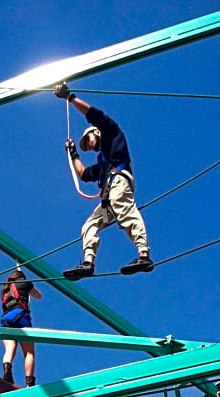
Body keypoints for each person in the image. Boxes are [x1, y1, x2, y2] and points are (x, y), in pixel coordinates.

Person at [54, 82, 154, 279]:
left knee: (125, 212)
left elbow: (94, 115)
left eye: (88, 141)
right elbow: (83, 174)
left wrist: (70, 97)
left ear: (96, 132)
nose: (88, 146)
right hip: (108, 193)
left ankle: (144, 255)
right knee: (89, 226)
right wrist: (73, 153)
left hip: (119, 182)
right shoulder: (102, 165)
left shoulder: (112, 133)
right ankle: (88, 263)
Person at [0, 267, 42, 387]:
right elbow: (38, 296)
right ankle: (30, 383)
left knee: (9, 349)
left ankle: (7, 371)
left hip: (7, 319)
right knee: (29, 352)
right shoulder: (25, 283)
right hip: (21, 316)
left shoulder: (5, 289)